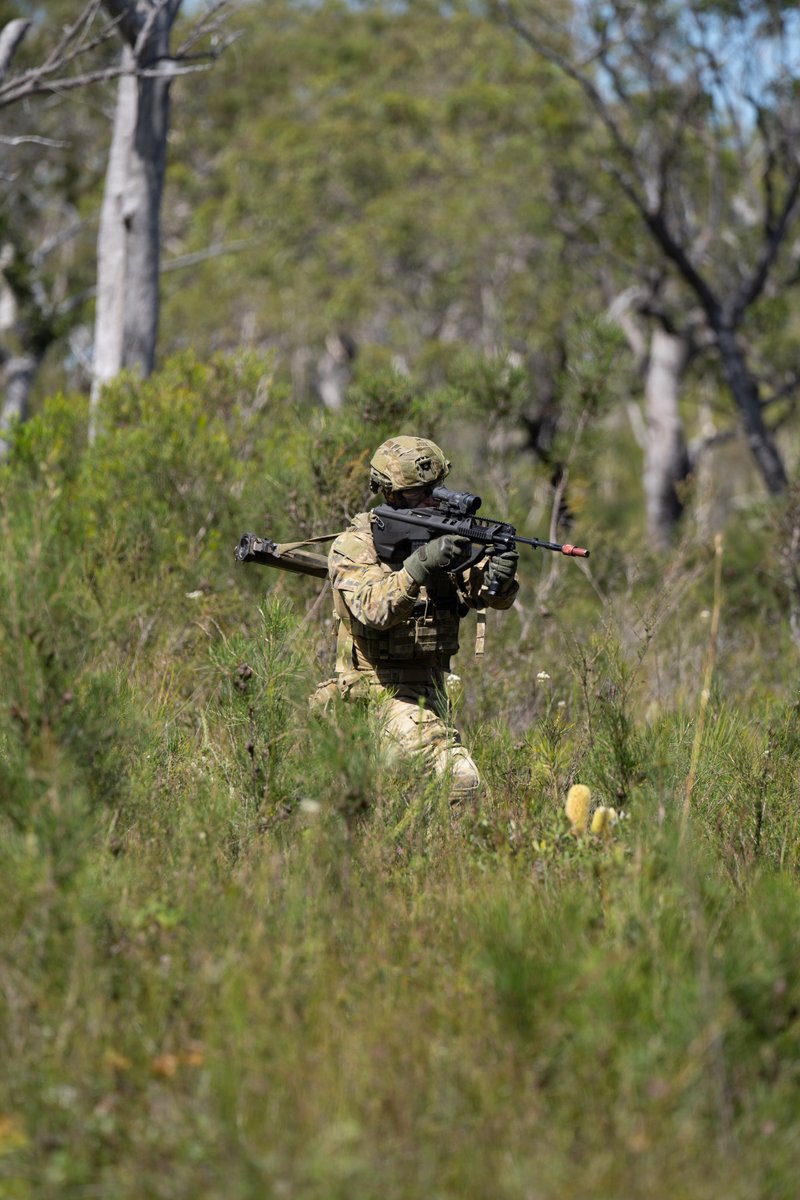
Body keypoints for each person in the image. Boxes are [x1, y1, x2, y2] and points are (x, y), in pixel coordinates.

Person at [313, 435, 519, 802]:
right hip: (376, 693)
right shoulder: (356, 545)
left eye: (435, 490)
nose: (431, 502)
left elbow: (484, 595)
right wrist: (420, 566)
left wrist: (499, 579)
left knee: (408, 805)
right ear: (387, 493)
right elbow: (373, 609)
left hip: (431, 693)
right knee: (460, 783)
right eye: (416, 495)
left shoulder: (442, 534)